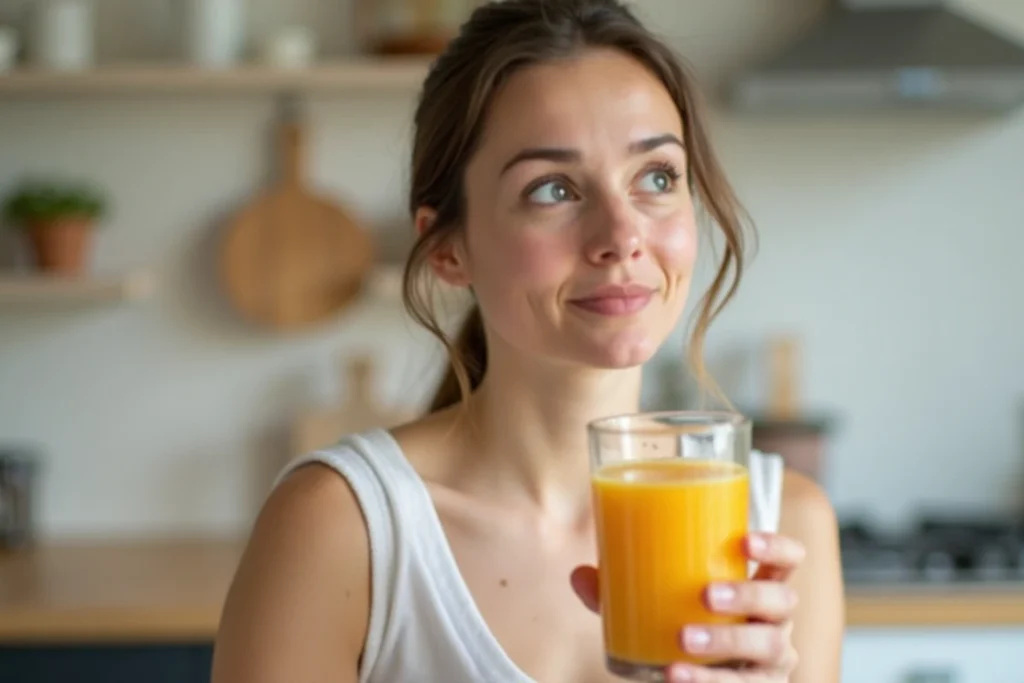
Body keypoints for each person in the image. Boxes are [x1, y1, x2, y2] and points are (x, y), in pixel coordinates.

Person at [210, 0, 845, 681]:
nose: (622, 236)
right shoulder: (340, 527)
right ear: (449, 250)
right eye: (553, 189)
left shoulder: (785, 528)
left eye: (657, 177)